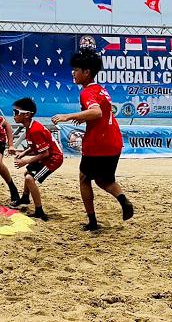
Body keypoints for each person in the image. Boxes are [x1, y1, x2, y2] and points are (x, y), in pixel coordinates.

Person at [51, 41, 134, 231]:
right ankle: (123, 200)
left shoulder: (86, 92)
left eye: (76, 70)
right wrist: (83, 117)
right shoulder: (102, 90)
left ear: (87, 72)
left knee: (84, 178)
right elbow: (99, 113)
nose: (73, 73)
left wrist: (67, 116)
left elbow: (96, 112)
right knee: (105, 180)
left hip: (98, 142)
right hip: (114, 141)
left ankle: (92, 222)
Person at [10, 97, 63, 220]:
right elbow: (34, 146)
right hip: (48, 155)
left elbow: (45, 153)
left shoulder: (35, 130)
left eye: (16, 112)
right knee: (28, 173)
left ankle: (39, 211)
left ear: (27, 115)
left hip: (53, 159)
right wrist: (24, 153)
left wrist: (26, 161)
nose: (14, 115)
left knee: (29, 178)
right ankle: (25, 198)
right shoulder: (30, 126)